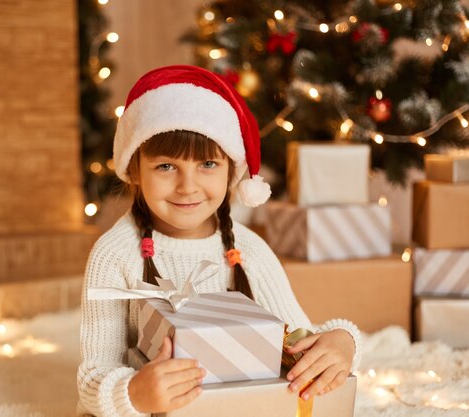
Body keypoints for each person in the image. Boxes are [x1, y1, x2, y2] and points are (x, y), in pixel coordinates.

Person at [77, 65, 361, 417]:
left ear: (231, 171)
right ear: (135, 170)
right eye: (166, 166)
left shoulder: (249, 250)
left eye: (208, 163)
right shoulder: (114, 255)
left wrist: (344, 342)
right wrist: (133, 394)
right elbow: (93, 377)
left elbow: (300, 338)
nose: (188, 186)